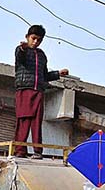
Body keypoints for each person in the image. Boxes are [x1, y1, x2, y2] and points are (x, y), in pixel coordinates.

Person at [13, 24, 69, 158]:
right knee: (23, 121)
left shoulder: (42, 55)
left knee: (37, 122)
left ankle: (37, 151)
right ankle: (20, 151)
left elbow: (44, 75)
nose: (35, 42)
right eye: (33, 38)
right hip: (24, 90)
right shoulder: (21, 50)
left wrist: (58, 74)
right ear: (27, 37)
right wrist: (22, 48)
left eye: (39, 40)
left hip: (38, 90)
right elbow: (19, 58)